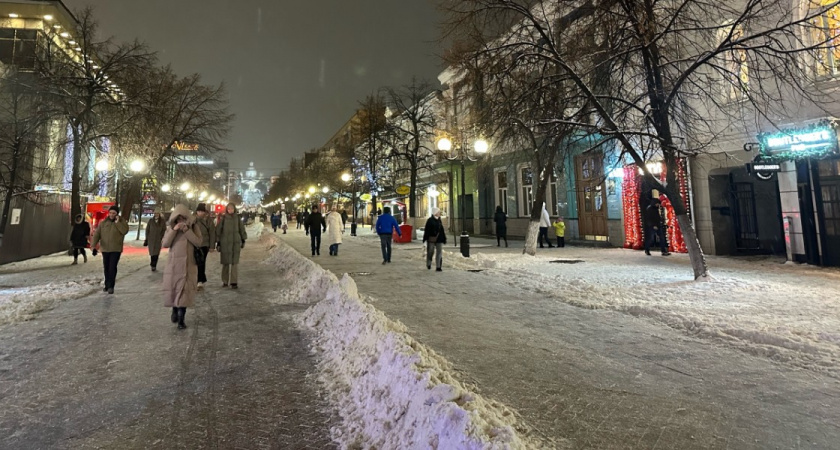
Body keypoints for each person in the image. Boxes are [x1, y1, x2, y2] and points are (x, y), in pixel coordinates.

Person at [162, 204, 203, 330]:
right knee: (175, 289)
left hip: (188, 264)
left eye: (183, 218)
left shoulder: (194, 227)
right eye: (178, 218)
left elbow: (198, 242)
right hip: (174, 265)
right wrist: (174, 230)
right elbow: (165, 243)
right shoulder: (171, 228)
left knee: (185, 291)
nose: (180, 221)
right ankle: (175, 309)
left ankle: (181, 319)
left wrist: (186, 230)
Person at [91, 205, 129, 294]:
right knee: (106, 267)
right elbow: (97, 234)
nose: (111, 215)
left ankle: (111, 286)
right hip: (105, 249)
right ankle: (107, 284)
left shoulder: (122, 222)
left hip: (116, 249)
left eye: (114, 213)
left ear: (117, 214)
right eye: (110, 213)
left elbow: (124, 231)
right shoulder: (103, 223)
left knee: (112, 267)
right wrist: (93, 245)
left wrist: (117, 223)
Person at [216, 203, 248, 288]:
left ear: (234, 209)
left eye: (232, 209)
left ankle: (234, 282)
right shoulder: (223, 219)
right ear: (227, 210)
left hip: (235, 243)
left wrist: (243, 239)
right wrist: (218, 242)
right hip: (225, 243)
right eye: (229, 209)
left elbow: (241, 229)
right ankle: (225, 281)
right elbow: (218, 230)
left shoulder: (237, 218)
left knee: (234, 263)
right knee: (225, 263)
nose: (230, 210)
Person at [194, 203, 216, 290]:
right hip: (195, 244)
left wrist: (212, 246)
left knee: (201, 262)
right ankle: (199, 279)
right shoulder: (193, 220)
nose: (200, 213)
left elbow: (212, 233)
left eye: (201, 211)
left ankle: (200, 281)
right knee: (195, 262)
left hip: (204, 244)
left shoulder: (208, 220)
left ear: (204, 212)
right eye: (198, 211)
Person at [423, 207, 447, 272]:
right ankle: (429, 263)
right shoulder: (430, 220)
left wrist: (444, 238)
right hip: (431, 238)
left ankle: (438, 267)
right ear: (435, 213)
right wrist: (425, 238)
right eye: (438, 212)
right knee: (430, 251)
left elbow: (441, 230)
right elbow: (427, 230)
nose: (439, 213)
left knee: (439, 252)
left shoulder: (439, 220)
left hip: (439, 239)